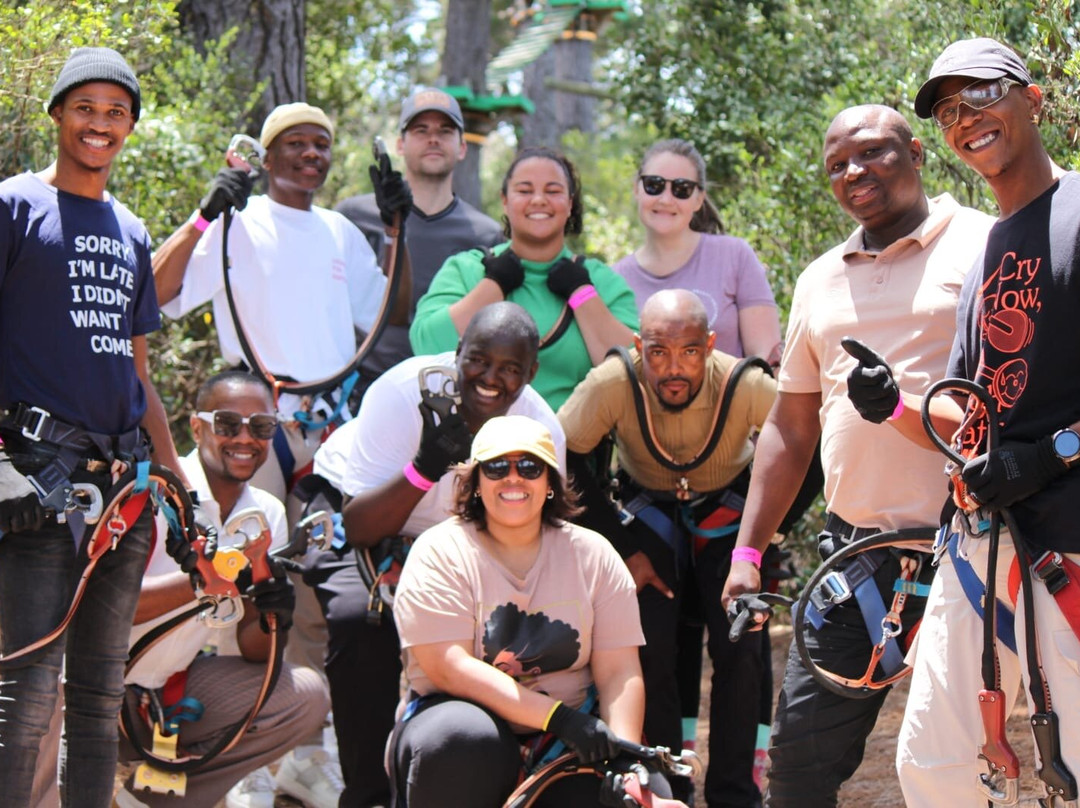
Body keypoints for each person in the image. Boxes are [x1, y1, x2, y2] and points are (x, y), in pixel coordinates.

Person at [720, 104, 994, 807]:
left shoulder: (987, 244)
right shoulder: (819, 279)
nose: (853, 173)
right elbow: (790, 425)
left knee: (960, 760)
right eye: (837, 164)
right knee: (798, 769)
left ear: (918, 153)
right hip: (856, 560)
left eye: (872, 153)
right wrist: (747, 554)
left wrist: (908, 407)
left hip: (977, 550)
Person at [880, 38, 1080, 806]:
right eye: (950, 112)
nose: (966, 120)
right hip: (981, 542)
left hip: (1066, 540)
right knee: (936, 761)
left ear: (1032, 99)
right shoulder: (991, 247)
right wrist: (891, 402)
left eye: (983, 96)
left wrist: (1046, 458)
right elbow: (977, 405)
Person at [0, 46, 188, 808]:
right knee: (25, 692)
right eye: (85, 108)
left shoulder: (131, 230)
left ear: (131, 128)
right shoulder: (14, 206)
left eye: (116, 113)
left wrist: (177, 480)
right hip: (38, 479)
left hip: (125, 488)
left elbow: (135, 372)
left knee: (97, 696)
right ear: (55, 115)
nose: (99, 124)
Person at [306, 302, 566, 807]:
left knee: (510, 632)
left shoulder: (541, 428)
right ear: (457, 353)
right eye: (478, 361)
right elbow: (359, 525)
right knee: (361, 619)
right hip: (367, 508)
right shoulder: (404, 391)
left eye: (510, 369)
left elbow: (530, 535)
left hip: (461, 535)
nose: (490, 379)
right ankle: (367, 794)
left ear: (530, 374)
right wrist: (427, 466)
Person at [558, 289, 779, 807]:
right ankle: (663, 786)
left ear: (710, 345)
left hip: (730, 518)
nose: (673, 367)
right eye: (658, 352)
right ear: (639, 347)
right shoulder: (614, 381)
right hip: (644, 516)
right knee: (648, 643)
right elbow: (565, 456)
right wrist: (618, 544)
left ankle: (734, 793)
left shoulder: (745, 384)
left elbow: (803, 445)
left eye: (689, 352)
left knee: (740, 645)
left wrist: (768, 533)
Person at [390, 414, 660, 807]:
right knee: (464, 739)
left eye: (530, 467)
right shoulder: (439, 552)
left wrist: (624, 756)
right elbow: (448, 665)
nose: (513, 478)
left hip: (570, 736)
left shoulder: (593, 554)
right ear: (476, 483)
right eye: (497, 466)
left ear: (550, 483)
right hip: (465, 729)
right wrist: (558, 718)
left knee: (636, 795)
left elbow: (619, 671)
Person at [152, 101, 413, 501]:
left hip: (332, 420)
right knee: (258, 547)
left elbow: (392, 312)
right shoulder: (237, 222)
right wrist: (205, 215)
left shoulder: (339, 231)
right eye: (296, 143)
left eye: (322, 144)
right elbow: (154, 292)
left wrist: (396, 229)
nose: (312, 152)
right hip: (257, 423)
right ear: (268, 159)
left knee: (323, 552)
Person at [115, 371, 328, 808]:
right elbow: (113, 607)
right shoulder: (155, 491)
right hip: (98, 684)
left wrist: (274, 615)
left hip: (171, 691)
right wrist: (208, 579)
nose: (245, 439)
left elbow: (255, 652)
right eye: (228, 424)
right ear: (197, 428)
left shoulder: (265, 511)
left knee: (305, 697)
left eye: (262, 427)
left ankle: (147, 800)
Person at [409, 146, 640, 410]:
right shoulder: (467, 269)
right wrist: (494, 284)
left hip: (571, 446)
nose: (539, 200)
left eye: (553, 191)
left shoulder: (602, 281)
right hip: (473, 445)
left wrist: (582, 293)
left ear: (570, 203)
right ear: (505, 201)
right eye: (524, 190)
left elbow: (634, 372)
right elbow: (427, 346)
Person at [335, 87, 503, 394]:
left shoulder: (486, 235)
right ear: (400, 144)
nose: (433, 139)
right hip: (360, 390)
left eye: (445, 131)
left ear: (462, 147)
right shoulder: (352, 217)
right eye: (421, 130)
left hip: (449, 392)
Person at [614, 138, 781, 363]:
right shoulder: (615, 280)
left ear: (698, 199)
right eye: (654, 185)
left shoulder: (734, 256)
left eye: (682, 189)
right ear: (637, 188)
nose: (666, 199)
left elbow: (766, 358)